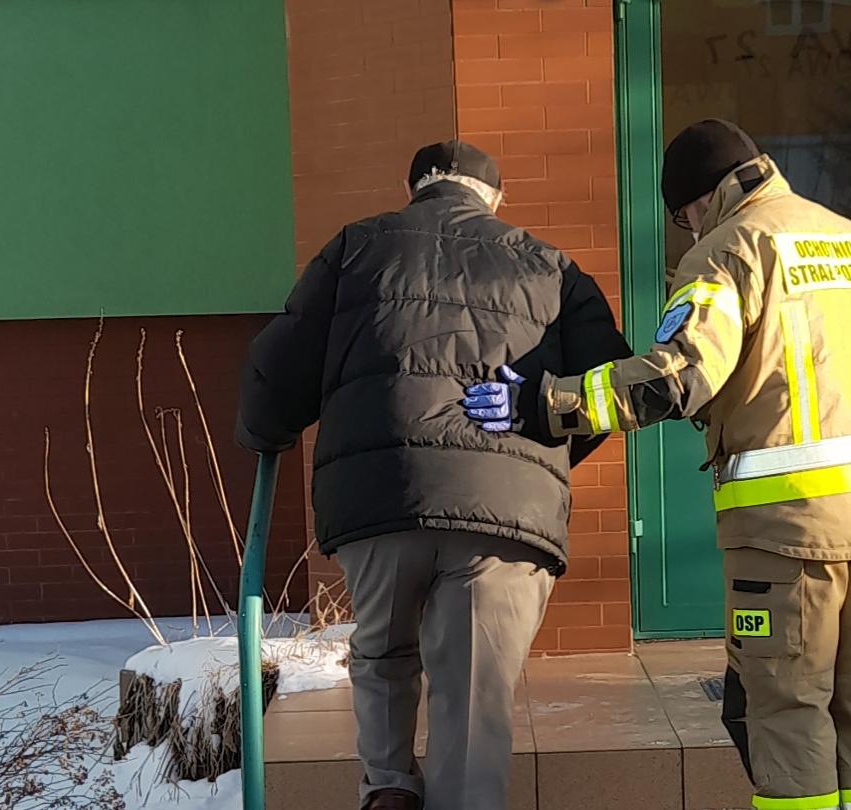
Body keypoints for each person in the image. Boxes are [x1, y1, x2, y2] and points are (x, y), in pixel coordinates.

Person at [465, 120, 851, 810]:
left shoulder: (731, 249)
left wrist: (544, 403)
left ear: (697, 201)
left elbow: (674, 377)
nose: (687, 231)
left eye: (683, 217)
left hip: (787, 535)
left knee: (786, 710)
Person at [236, 141, 631, 810]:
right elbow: (606, 388)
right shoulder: (552, 267)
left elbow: (280, 368)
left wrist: (263, 433)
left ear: (415, 188)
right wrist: (538, 457)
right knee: (473, 692)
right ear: (495, 200)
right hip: (507, 512)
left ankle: (388, 787)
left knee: (383, 655)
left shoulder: (355, 249)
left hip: (379, 493)